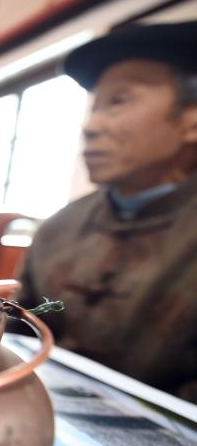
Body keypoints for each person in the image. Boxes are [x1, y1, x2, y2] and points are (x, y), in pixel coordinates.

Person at [17, 21, 197, 401]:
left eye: (118, 101)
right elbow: (21, 333)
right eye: (94, 106)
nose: (91, 126)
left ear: (191, 120)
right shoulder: (58, 229)